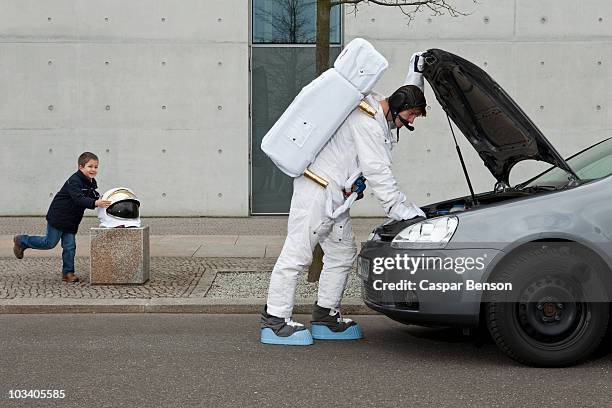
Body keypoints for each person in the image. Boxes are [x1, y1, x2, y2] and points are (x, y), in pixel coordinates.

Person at [261, 84, 427, 345]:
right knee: (297, 253)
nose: (411, 121)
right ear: (399, 106)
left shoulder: (374, 115)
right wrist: (401, 209)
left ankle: (326, 316)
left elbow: (350, 159)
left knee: (342, 252)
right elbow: (378, 172)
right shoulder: (368, 123)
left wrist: (352, 181)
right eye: (411, 115)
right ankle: (275, 321)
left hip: (335, 195)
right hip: (317, 192)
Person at [12, 152, 112, 283]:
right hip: (59, 217)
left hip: (71, 220)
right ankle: (22, 240)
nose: (93, 170)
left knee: (70, 246)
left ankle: (68, 273)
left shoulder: (91, 182)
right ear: (81, 167)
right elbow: (78, 199)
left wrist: (101, 198)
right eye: (90, 166)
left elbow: (93, 194)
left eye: (96, 167)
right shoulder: (74, 181)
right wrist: (95, 203)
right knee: (49, 243)